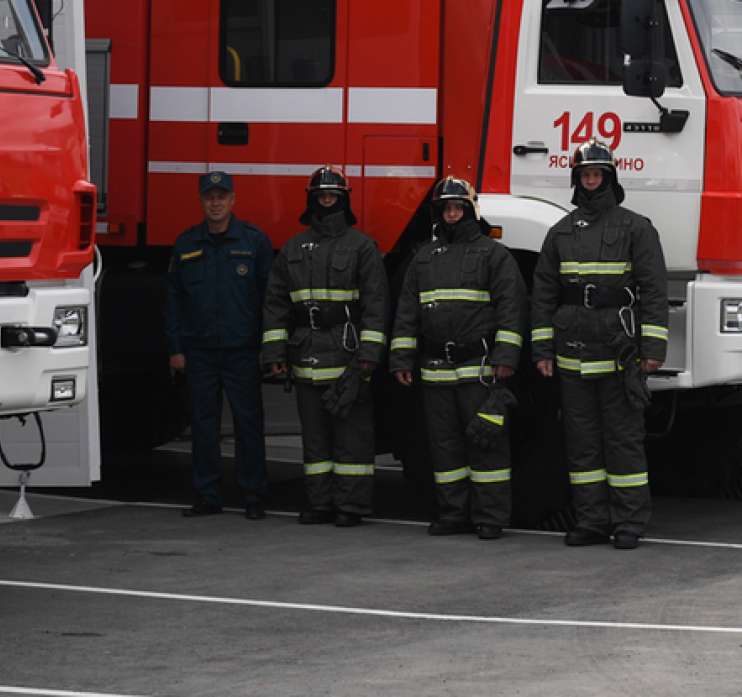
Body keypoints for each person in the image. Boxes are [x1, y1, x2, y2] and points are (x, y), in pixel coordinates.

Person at [530, 139, 667, 550]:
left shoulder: (635, 227)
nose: (591, 181)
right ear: (577, 180)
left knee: (623, 439)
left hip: (619, 351)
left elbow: (653, 291)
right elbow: (543, 295)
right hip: (573, 351)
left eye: (597, 175)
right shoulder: (560, 232)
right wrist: (542, 351)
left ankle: (628, 522)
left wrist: (653, 349)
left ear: (609, 178)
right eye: (585, 175)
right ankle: (591, 520)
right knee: (582, 442)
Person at [390, 176, 526, 539]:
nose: (452, 214)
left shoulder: (494, 254)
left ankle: (491, 516)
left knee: (487, 443)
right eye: (446, 208)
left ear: (470, 210)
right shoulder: (423, 257)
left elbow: (512, 310)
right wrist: (402, 358)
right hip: (435, 371)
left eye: (458, 207)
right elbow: (407, 313)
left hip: (478, 369)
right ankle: (454, 513)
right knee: (444, 446)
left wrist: (507, 357)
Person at [263, 166, 387, 527]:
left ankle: (351, 506)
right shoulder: (293, 248)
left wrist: (367, 358)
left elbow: (376, 307)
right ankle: (319, 503)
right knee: (315, 439)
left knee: (352, 438)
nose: (327, 200)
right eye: (321, 195)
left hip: (347, 358)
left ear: (344, 198)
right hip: (305, 356)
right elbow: (276, 305)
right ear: (311, 199)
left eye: (333, 195)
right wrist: (274, 353)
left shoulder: (362, 247)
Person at [165, 171, 273, 520]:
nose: (215, 203)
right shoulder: (185, 244)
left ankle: (254, 495)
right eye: (209, 197)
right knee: (204, 427)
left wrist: (267, 346)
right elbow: (174, 301)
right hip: (200, 353)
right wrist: (175, 348)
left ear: (232, 200)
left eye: (222, 196)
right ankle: (208, 495)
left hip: (242, 350)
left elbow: (270, 300)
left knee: (249, 425)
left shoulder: (254, 241)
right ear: (201, 201)